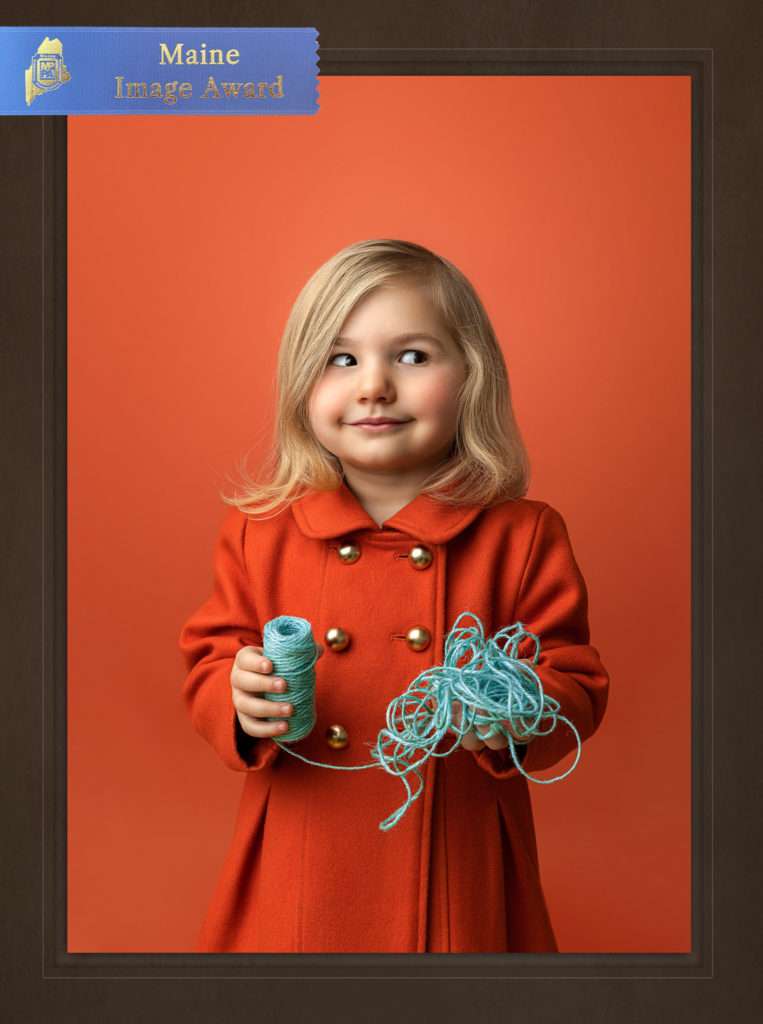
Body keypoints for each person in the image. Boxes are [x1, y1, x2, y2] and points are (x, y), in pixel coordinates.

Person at [178, 238, 609, 953]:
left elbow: (578, 680)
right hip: (300, 863)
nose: (373, 385)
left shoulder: (521, 535)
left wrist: (519, 712)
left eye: (411, 356)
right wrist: (238, 696)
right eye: (340, 359)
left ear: (471, 375)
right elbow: (208, 659)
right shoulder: (262, 533)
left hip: (457, 868)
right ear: (299, 385)